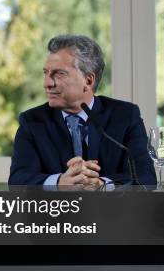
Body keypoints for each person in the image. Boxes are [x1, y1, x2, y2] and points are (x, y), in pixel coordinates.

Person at [8, 34, 156, 187]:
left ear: (88, 80)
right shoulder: (32, 121)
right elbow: (18, 180)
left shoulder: (125, 115)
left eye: (59, 73)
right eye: (46, 73)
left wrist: (102, 184)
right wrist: (60, 183)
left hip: (111, 210)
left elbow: (146, 177)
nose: (47, 83)